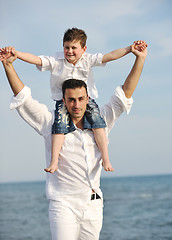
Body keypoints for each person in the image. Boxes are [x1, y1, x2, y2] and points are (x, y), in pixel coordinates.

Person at [0, 41, 147, 240]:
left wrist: (140, 59)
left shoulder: (101, 120)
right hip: (63, 204)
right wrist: (8, 66)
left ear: (88, 99)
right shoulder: (50, 121)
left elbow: (124, 94)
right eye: (71, 100)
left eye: (80, 99)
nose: (76, 105)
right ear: (63, 99)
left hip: (93, 204)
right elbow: (24, 98)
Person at [0, 28, 146, 173]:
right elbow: (36, 59)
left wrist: (130, 49)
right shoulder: (56, 61)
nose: (69, 51)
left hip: (89, 102)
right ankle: (54, 161)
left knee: (99, 124)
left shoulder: (88, 59)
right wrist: (16, 55)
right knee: (59, 127)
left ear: (84, 49)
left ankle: (106, 159)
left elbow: (110, 56)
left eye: (74, 48)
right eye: (66, 47)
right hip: (61, 102)